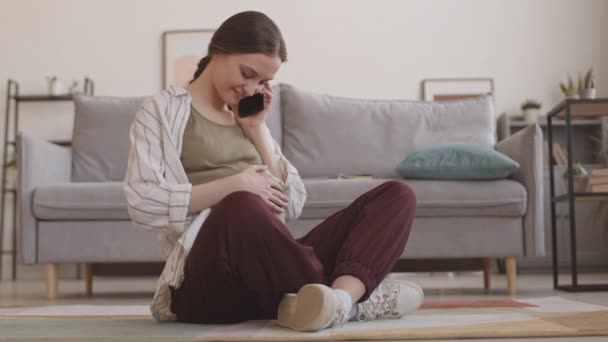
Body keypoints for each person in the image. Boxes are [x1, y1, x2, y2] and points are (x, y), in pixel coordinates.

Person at [124, 10, 422, 332]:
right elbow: (142, 201)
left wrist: (256, 130)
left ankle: (338, 303)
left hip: (272, 270)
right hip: (207, 283)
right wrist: (236, 186)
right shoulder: (161, 110)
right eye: (246, 73)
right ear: (218, 50)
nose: (250, 88)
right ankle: (350, 301)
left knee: (396, 195)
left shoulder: (250, 119)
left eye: (262, 82)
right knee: (241, 205)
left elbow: (292, 205)